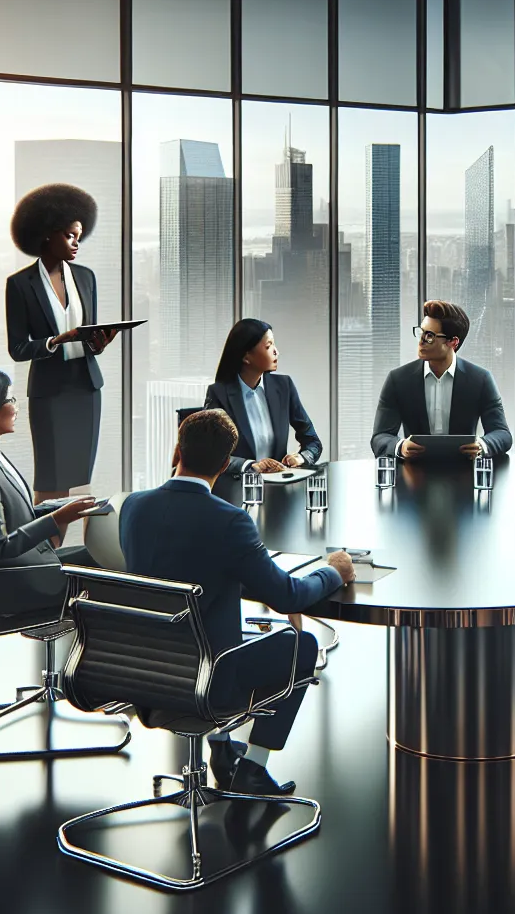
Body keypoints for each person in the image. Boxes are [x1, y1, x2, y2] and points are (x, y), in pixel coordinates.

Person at [119, 409, 356, 797]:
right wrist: (334, 572)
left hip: (144, 673)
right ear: (226, 463)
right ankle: (253, 767)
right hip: (209, 681)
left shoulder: (133, 507)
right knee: (301, 644)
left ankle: (222, 749)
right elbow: (286, 596)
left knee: (224, 624)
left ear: (176, 451)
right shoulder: (229, 521)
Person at [0, 367, 103, 622]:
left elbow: (16, 511)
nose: (16, 406)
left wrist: (65, 507)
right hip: (24, 579)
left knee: (98, 554)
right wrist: (57, 518)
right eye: (10, 400)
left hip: (31, 564)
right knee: (110, 565)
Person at [5, 183, 121, 504]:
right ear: (48, 234)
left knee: (81, 480)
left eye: (79, 237)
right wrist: (55, 342)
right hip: (50, 392)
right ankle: (46, 547)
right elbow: (17, 348)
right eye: (70, 236)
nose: (76, 244)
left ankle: (80, 552)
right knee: (51, 477)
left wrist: (99, 342)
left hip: (86, 387)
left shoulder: (86, 277)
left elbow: (89, 335)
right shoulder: (19, 285)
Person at [371, 299, 514, 461]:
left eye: (430, 336)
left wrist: (482, 445)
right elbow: (379, 437)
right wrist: (400, 446)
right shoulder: (398, 380)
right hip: (413, 475)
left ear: (453, 342)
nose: (421, 341)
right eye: (421, 332)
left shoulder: (480, 380)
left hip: (464, 474)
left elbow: (502, 434)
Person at [202, 318, 323, 476]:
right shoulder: (219, 394)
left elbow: (312, 441)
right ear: (246, 357)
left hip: (278, 487)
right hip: (237, 490)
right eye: (268, 346)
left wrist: (301, 458)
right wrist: (250, 466)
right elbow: (210, 454)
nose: (276, 352)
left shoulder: (284, 386)